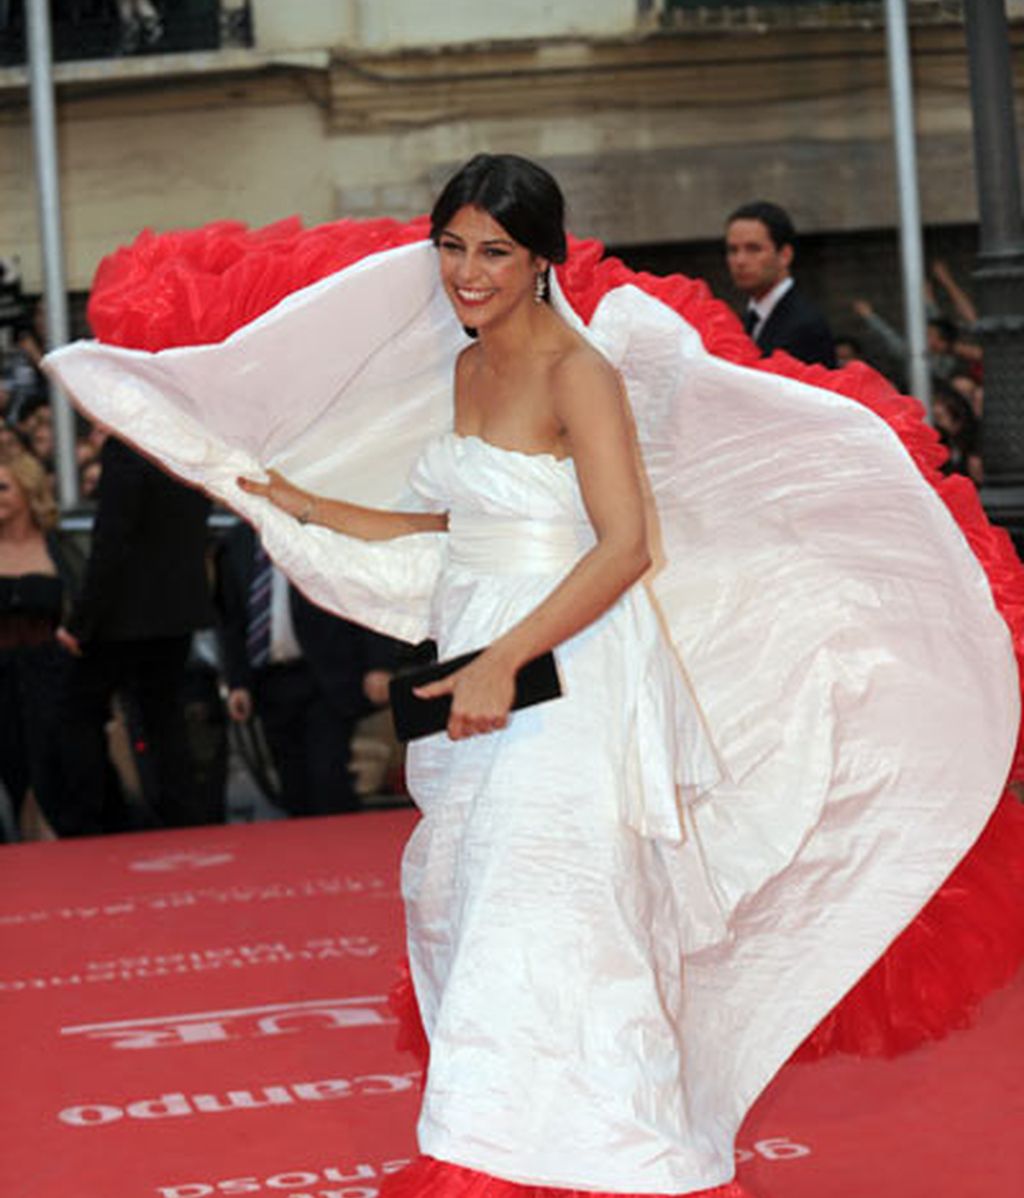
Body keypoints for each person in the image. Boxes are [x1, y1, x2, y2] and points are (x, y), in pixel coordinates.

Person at [44, 154, 1021, 1198]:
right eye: (453, 247)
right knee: (466, 912)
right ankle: (540, 1151)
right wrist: (318, 508)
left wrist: (510, 658)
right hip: (478, 674)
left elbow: (624, 545)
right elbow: (469, 517)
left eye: (495, 251)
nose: (468, 272)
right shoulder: (465, 366)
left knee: (550, 921)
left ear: (542, 256)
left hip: (570, 681)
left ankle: (577, 1162)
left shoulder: (577, 371)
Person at [55, 434, 218, 835]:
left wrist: (81, 621)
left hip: (125, 615)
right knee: (163, 718)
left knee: (78, 714)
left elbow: (111, 539)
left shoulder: (126, 449)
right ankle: (179, 817)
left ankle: (99, 818)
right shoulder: (181, 444)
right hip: (177, 610)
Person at [214, 519, 400, 816]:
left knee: (327, 775)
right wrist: (238, 682)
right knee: (292, 783)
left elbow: (364, 596)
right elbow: (231, 620)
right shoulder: (238, 541)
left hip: (325, 674)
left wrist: (379, 662)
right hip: (270, 680)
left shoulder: (323, 531)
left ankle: (343, 852)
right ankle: (308, 857)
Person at [0, 448, 81, 840]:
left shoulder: (57, 547)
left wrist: (72, 632)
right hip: (1, 684)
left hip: (51, 679)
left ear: (27, 491)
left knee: (55, 774)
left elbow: (83, 603)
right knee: (11, 773)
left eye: (3, 488)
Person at [725, 199, 836, 367]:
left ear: (784, 255)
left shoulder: (806, 327)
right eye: (733, 250)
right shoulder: (743, 321)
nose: (740, 261)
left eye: (753, 249)